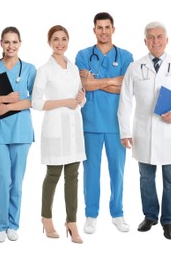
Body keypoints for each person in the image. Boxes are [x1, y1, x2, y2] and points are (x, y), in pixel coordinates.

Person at [118, 21, 171, 240]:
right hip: (143, 131)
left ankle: (169, 221)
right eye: (151, 37)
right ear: (145, 41)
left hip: (170, 131)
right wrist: (125, 131)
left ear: (166, 40)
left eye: (159, 37)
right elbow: (125, 101)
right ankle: (150, 216)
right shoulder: (135, 67)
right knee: (146, 178)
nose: (155, 41)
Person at [74, 12, 133, 234]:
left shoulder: (126, 56)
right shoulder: (83, 55)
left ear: (113, 29)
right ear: (94, 30)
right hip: (90, 124)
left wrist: (96, 81)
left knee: (117, 172)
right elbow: (83, 86)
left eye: (107, 27)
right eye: (99, 27)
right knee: (91, 172)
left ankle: (117, 214)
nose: (104, 31)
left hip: (117, 125)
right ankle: (91, 215)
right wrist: (111, 82)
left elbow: (127, 87)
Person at [31, 25, 86, 244]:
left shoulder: (74, 68)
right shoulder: (44, 70)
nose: (60, 43)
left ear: (68, 41)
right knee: (53, 175)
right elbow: (35, 102)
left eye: (64, 39)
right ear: (49, 42)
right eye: (55, 39)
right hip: (55, 128)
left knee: (73, 177)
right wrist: (65, 102)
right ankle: (46, 218)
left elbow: (81, 99)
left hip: (73, 128)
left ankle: (71, 222)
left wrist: (81, 98)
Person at [0, 27, 37, 243]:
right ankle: (1, 225)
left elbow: (36, 100)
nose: (10, 46)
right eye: (7, 42)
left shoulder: (30, 70)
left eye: (14, 42)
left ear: (20, 43)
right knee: (2, 179)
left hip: (21, 131)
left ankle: (13, 225)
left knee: (17, 181)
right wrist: (4, 98)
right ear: (1, 43)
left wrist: (6, 106)